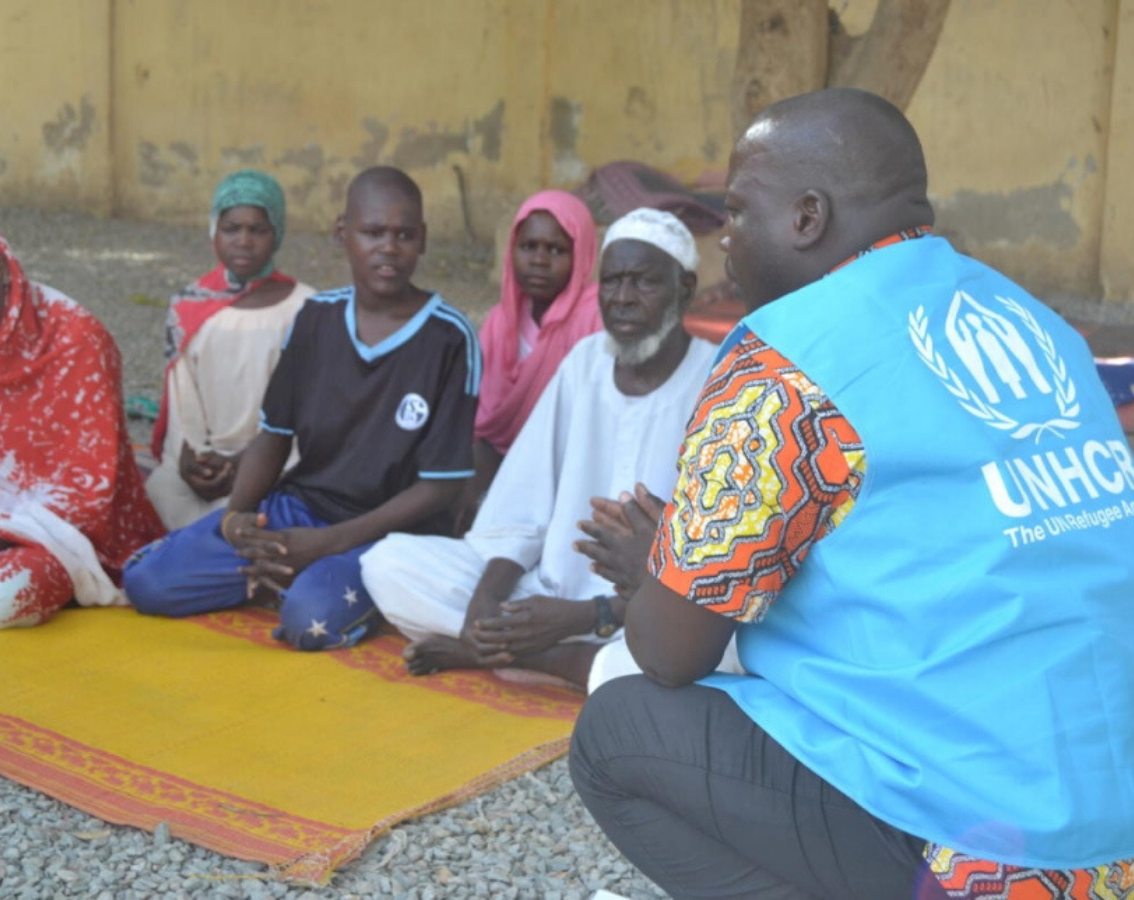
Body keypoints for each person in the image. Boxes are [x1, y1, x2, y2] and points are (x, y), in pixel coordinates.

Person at [570, 88, 1134, 899]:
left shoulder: (785, 356)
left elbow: (670, 650)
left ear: (806, 217)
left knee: (616, 724)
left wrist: (653, 564)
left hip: (985, 845)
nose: (724, 239)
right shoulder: (1040, 325)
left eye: (735, 212)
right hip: (1112, 816)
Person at [123, 167, 481, 651]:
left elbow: (442, 487)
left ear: (423, 241)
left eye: (404, 235)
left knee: (308, 620)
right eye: (373, 232)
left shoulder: (448, 338)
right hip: (300, 509)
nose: (389, 248)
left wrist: (328, 545)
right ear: (342, 233)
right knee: (147, 581)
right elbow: (274, 434)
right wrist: (239, 519)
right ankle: (278, 571)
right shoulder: (316, 319)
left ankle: (296, 581)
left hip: (388, 535)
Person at [360, 208, 715, 691]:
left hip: (651, 611)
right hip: (546, 591)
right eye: (611, 282)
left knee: (713, 652)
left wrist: (588, 615)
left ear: (686, 290)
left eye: (645, 283)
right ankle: (531, 649)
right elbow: (521, 508)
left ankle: (536, 657)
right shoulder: (583, 363)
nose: (623, 299)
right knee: (387, 564)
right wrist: (483, 609)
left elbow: (710, 566)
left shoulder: (717, 382)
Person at [0, 212, 164, 632]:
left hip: (66, 532)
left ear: (1, 271)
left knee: (10, 593)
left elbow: (89, 490)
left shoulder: (76, 341)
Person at [145, 170, 315, 530]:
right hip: (206, 460)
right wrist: (193, 462)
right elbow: (183, 400)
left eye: (258, 230)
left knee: (266, 512)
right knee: (158, 496)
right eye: (231, 228)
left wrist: (248, 463)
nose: (244, 241)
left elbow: (310, 408)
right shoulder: (189, 306)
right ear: (214, 231)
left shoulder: (307, 308)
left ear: (277, 233)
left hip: (279, 461)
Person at [463, 189, 602, 523]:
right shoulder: (500, 323)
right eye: (529, 247)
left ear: (581, 253)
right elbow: (483, 419)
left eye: (556, 250)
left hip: (568, 463)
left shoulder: (594, 316)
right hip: (502, 457)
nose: (540, 260)